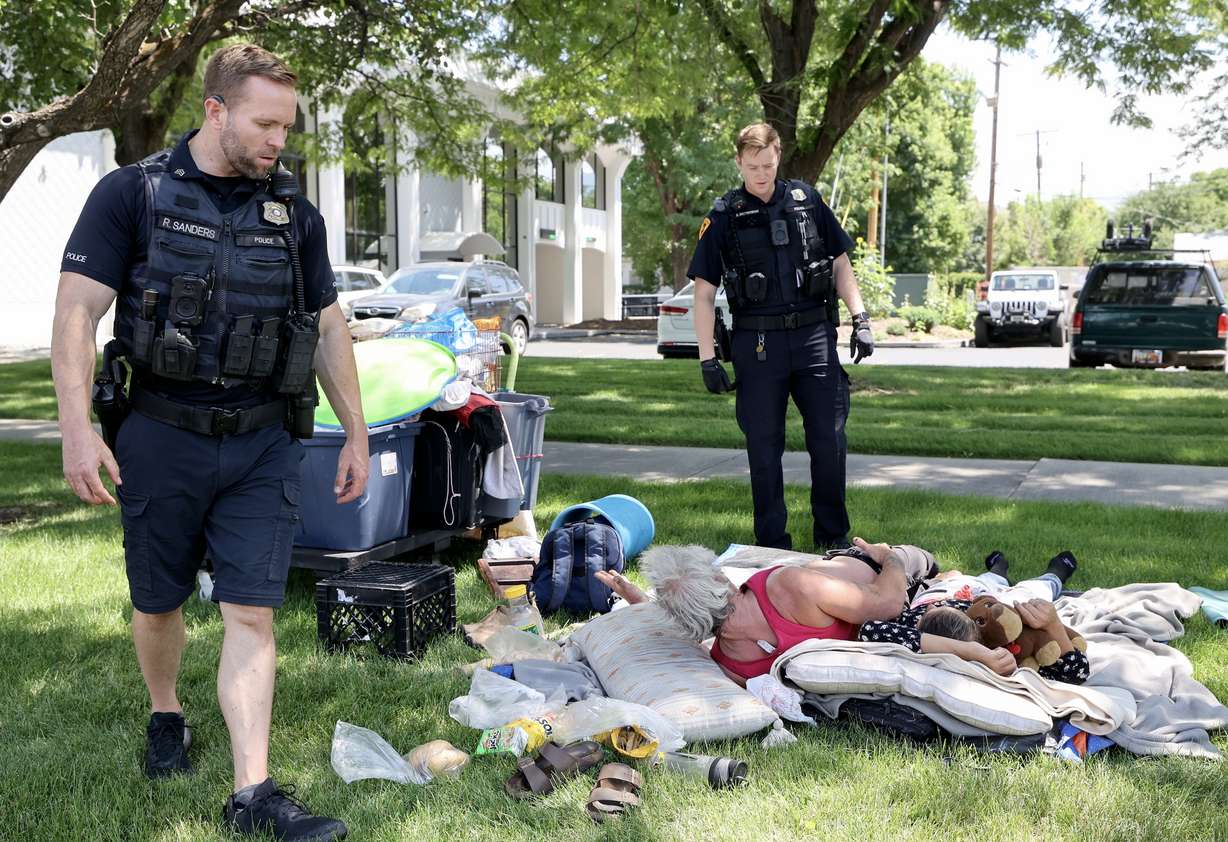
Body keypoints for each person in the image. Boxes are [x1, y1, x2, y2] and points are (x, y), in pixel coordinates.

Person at [51, 44, 365, 841]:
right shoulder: (135, 193)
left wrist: (355, 430)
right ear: (216, 110)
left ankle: (252, 793)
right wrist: (79, 431)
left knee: (250, 613)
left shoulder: (296, 215)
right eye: (265, 123)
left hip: (262, 441)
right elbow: (76, 315)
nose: (278, 141)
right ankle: (166, 712)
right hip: (160, 434)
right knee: (157, 603)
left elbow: (328, 326)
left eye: (287, 127)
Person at [686, 122, 876, 552]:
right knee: (764, 449)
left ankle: (833, 539)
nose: (761, 174)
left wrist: (860, 317)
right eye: (752, 166)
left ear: (778, 158)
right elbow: (703, 294)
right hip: (759, 345)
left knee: (829, 440)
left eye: (768, 165)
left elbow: (841, 261)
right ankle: (772, 545)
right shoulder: (723, 217)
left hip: (813, 338)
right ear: (738, 162)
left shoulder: (807, 201)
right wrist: (706, 358)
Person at [596, 538, 910, 685]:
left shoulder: (729, 665)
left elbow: (890, 602)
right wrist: (891, 557)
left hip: (869, 565)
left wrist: (887, 557)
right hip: (882, 576)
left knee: (919, 562)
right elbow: (890, 604)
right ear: (721, 579)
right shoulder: (791, 588)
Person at [858, 550, 1090, 684]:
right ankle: (1056, 573)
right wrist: (1053, 625)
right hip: (990, 607)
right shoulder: (993, 646)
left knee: (990, 579)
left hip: (967, 593)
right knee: (1034, 592)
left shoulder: (907, 624)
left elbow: (869, 629)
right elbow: (1077, 674)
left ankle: (1000, 567)